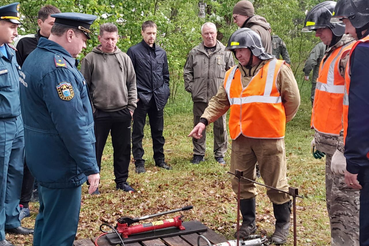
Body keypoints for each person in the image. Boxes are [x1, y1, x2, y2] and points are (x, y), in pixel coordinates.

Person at [188, 28, 300, 245]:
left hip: (269, 138)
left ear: (255, 49)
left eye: (241, 51)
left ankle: (282, 225)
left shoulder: (278, 69)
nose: (237, 55)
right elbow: (221, 101)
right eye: (234, 52)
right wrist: (203, 121)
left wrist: (276, 121)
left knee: (276, 183)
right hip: (240, 138)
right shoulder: (232, 74)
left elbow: (293, 101)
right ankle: (248, 223)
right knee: (240, 182)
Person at [19, 12, 100, 246]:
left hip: (43, 158)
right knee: (60, 233)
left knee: (46, 221)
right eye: (84, 38)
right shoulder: (58, 69)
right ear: (70, 33)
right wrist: (90, 167)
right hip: (61, 162)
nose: (85, 44)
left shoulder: (35, 57)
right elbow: (72, 125)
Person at [302, 2, 359, 245]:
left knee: (347, 212)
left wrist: (344, 148)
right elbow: (328, 101)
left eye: (321, 29)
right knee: (334, 208)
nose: (317, 34)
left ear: (336, 27)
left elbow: (356, 106)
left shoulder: (349, 54)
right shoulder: (331, 52)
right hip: (330, 145)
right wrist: (320, 136)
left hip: (344, 149)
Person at [15, 4, 61, 221]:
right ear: (40, 22)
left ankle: (38, 192)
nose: (54, 28)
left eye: (57, 24)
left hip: (53, 107)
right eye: (51, 23)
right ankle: (22, 198)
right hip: (29, 108)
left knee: (47, 152)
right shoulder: (25, 44)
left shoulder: (60, 46)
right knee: (26, 154)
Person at [81, 23, 137, 193]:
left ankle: (121, 181)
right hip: (99, 112)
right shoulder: (90, 59)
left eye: (113, 39)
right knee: (95, 149)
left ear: (117, 38)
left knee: (123, 149)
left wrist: (131, 107)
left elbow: (132, 83)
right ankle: (94, 184)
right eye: (107, 39)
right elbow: (84, 87)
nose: (110, 42)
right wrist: (91, 110)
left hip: (122, 111)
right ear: (100, 38)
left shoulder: (125, 58)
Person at [332, 0, 369, 245]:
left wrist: (353, 161)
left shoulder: (363, 50)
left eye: (346, 22)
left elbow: (361, 108)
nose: (345, 30)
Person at [0, 3, 34, 246]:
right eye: (11, 26)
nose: (15, 32)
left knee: (15, 174)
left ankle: (11, 220)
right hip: (1, 125)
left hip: (17, 123)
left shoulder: (10, 52)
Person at [183, 22, 234, 165]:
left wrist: (228, 92)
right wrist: (192, 87)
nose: (209, 36)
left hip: (219, 98)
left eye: (212, 33)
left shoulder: (226, 52)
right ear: (202, 35)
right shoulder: (194, 52)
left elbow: (232, 73)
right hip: (199, 96)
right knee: (199, 124)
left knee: (220, 127)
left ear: (216, 33)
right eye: (206, 33)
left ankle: (220, 154)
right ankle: (198, 153)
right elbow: (187, 72)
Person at [127, 21, 172, 174]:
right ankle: (139, 162)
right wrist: (134, 96)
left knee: (158, 131)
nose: (151, 36)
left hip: (158, 97)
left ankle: (160, 159)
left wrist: (165, 91)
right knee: (138, 132)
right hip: (140, 97)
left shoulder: (161, 53)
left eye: (153, 33)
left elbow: (166, 75)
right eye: (148, 33)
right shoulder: (133, 51)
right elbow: (128, 76)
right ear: (142, 33)